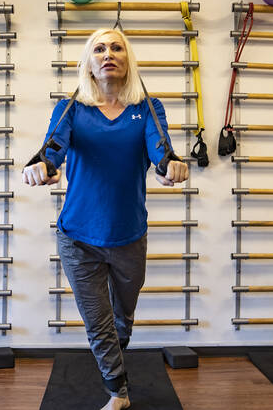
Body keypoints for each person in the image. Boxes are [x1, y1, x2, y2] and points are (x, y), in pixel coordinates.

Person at [22, 28, 189, 410]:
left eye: (117, 47)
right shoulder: (71, 108)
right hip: (77, 236)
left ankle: (116, 359)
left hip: (129, 235)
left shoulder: (147, 107)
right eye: (99, 49)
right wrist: (41, 167)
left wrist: (170, 166)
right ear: (88, 63)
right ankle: (119, 392)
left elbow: (161, 149)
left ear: (128, 60)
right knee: (98, 323)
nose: (108, 54)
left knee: (121, 319)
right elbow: (52, 147)